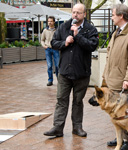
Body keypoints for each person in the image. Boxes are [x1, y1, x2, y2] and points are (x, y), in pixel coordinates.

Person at [43, 3, 99, 137]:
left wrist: (77, 35)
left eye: (78, 12)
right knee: (61, 100)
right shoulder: (64, 26)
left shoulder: (90, 29)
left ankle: (77, 127)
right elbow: (53, 43)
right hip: (64, 72)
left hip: (81, 73)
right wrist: (65, 43)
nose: (75, 15)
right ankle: (57, 127)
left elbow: (92, 46)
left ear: (84, 14)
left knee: (78, 102)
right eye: (73, 12)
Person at [103, 4, 128, 150]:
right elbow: (109, 55)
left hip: (122, 81)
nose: (111, 17)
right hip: (112, 79)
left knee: (125, 113)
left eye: (113, 14)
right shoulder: (116, 32)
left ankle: (127, 142)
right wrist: (104, 76)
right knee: (115, 112)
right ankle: (119, 137)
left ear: (121, 16)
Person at [41, 16, 60, 86]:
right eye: (48, 21)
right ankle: (50, 80)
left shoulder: (57, 30)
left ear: (54, 22)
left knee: (57, 65)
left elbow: (60, 39)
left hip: (55, 49)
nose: (49, 22)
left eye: (51, 21)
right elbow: (42, 40)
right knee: (49, 65)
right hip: (48, 49)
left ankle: (59, 80)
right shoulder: (45, 30)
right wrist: (44, 46)